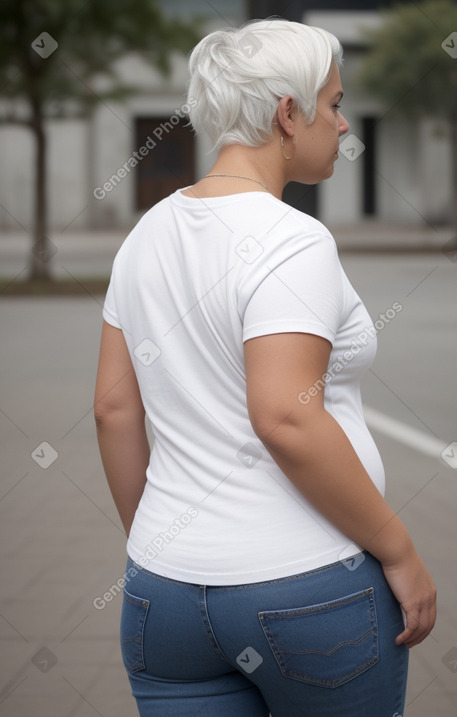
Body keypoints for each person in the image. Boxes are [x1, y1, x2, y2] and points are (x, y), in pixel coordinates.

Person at [94, 17, 436, 717]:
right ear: (288, 113)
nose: (342, 125)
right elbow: (285, 415)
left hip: (163, 601)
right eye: (334, 103)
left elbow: (113, 409)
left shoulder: (145, 234)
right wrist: (399, 551)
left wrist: (160, 547)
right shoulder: (293, 240)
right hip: (308, 592)